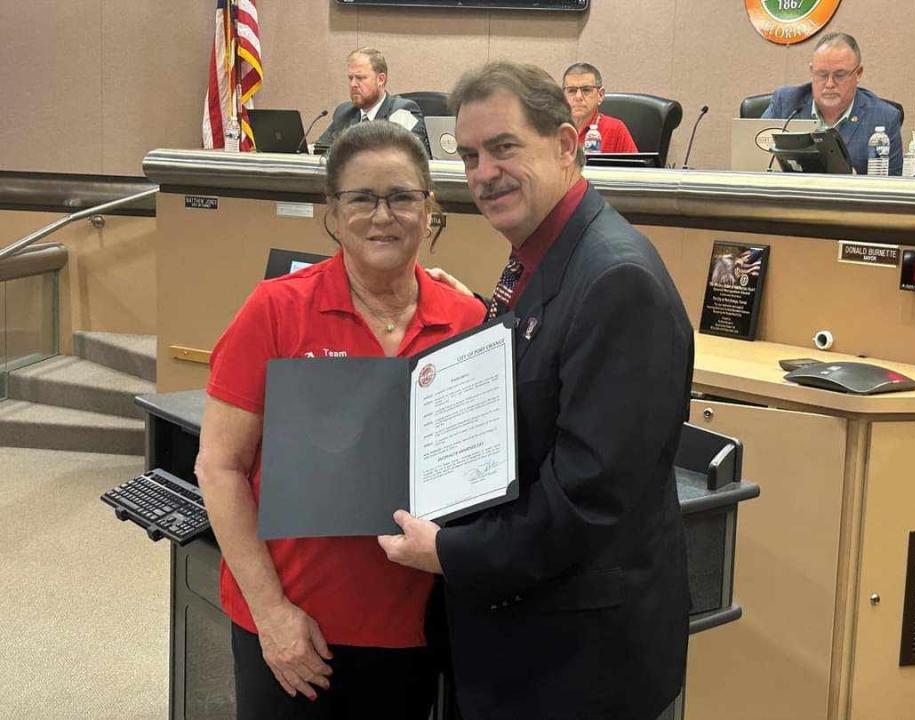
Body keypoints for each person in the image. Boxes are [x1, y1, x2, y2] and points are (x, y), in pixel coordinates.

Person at [379, 61, 693, 720]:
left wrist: (450, 552)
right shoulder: (544, 253)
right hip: (529, 642)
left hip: (580, 665)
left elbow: (588, 503)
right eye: (469, 156)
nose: (483, 172)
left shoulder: (615, 280)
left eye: (503, 148)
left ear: (566, 146)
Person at [195, 120, 486, 719]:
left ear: (430, 209)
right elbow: (219, 466)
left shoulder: (467, 320)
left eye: (403, 196)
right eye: (362, 198)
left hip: (416, 628)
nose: (384, 216)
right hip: (295, 623)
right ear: (333, 212)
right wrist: (273, 614)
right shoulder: (275, 309)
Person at [762, 32, 903, 175]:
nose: (829, 84)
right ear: (812, 71)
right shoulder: (786, 103)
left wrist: (857, 183)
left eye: (840, 75)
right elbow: (755, 158)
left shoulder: (884, 118)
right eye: (822, 75)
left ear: (858, 73)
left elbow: (893, 188)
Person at [314, 47, 430, 155]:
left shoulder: (403, 111)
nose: (353, 84)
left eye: (360, 78)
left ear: (380, 79)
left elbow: (409, 157)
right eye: (350, 78)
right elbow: (320, 150)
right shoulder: (344, 112)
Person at [562, 62, 638, 153]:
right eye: (571, 90)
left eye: (586, 90)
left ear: (600, 95)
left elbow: (635, 166)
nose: (578, 97)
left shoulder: (615, 129)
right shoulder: (553, 129)